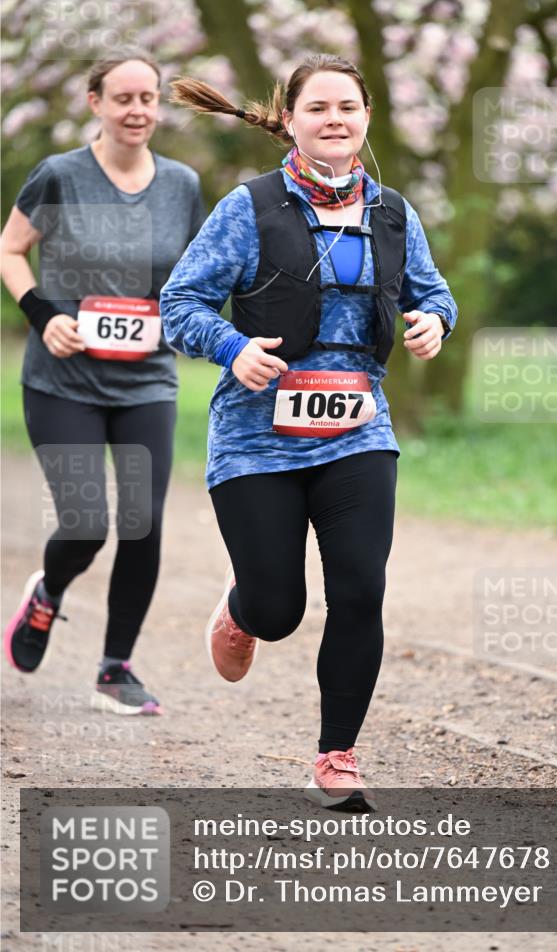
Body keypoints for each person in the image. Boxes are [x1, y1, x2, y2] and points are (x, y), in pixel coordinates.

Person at [160, 54, 457, 808]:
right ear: (289, 119)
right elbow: (180, 304)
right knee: (280, 608)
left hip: (359, 426)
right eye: (317, 107)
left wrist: (433, 323)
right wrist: (232, 348)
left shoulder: (392, 211)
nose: (334, 119)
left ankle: (337, 756)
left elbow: (432, 293)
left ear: (365, 118)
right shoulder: (248, 208)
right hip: (256, 435)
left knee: (360, 587)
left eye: (347, 107)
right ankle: (243, 609)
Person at [1, 51, 206, 715]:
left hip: (146, 378)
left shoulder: (181, 184)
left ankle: (116, 667)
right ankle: (47, 595)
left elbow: (193, 278)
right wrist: (43, 315)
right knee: (87, 523)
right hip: (63, 380)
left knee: (143, 523)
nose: (138, 110)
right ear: (95, 102)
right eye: (122, 98)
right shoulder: (59, 175)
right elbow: (10, 250)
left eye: (148, 98)